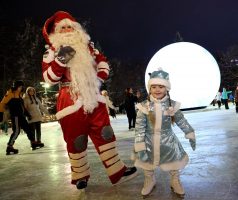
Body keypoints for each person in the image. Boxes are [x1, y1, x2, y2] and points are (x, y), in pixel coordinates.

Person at [41, 11, 137, 189]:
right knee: (76, 139)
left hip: (93, 95)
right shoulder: (52, 52)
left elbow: (103, 62)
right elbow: (49, 78)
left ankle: (117, 169)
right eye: (64, 28)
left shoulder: (89, 47)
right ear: (56, 32)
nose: (68, 30)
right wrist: (64, 55)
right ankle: (80, 176)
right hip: (70, 100)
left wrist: (99, 77)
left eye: (71, 26)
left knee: (105, 133)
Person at [134, 69, 196, 198]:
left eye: (161, 86)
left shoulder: (172, 106)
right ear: (149, 89)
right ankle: (149, 180)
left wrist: (189, 132)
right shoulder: (144, 107)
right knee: (147, 164)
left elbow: (181, 121)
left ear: (167, 88)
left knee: (173, 163)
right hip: (148, 141)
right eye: (154, 87)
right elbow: (139, 127)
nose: (157, 90)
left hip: (169, 142)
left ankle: (175, 180)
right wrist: (140, 144)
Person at [0, 80, 41, 155]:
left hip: (21, 116)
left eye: (21, 87)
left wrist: (27, 114)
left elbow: (22, 107)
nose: (20, 88)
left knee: (28, 129)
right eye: (19, 86)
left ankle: (33, 142)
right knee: (16, 131)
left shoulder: (20, 94)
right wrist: (1, 114)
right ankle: (9, 146)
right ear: (15, 86)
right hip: (15, 116)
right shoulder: (10, 93)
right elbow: (2, 103)